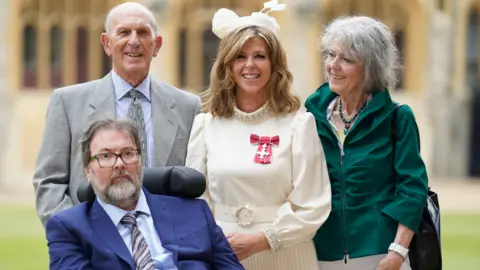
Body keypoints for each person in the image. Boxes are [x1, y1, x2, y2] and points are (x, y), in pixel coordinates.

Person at [185, 3, 332, 270]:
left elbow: (314, 204)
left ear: (274, 64)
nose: (250, 65)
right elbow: (193, 201)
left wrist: (263, 240)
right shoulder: (205, 125)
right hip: (223, 252)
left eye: (259, 56)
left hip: (286, 253)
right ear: (227, 66)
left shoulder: (299, 124)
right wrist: (215, 241)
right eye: (240, 56)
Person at [33, 2, 201, 227]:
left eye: (142, 32)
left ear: (157, 45)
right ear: (107, 43)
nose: (133, 41)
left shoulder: (188, 107)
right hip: (92, 243)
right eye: (123, 32)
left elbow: (196, 183)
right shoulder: (67, 102)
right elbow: (48, 182)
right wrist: (78, 235)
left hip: (166, 244)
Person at [304, 16, 429, 270]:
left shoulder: (398, 117)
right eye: (330, 54)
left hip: (381, 254)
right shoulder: (310, 114)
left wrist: (397, 252)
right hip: (320, 253)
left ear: (371, 67)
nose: (332, 65)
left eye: (346, 59)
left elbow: (412, 189)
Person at [46, 119, 244, 270]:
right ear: (88, 170)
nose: (119, 163)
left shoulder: (193, 212)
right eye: (105, 156)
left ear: (140, 161)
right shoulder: (70, 228)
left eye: (128, 153)